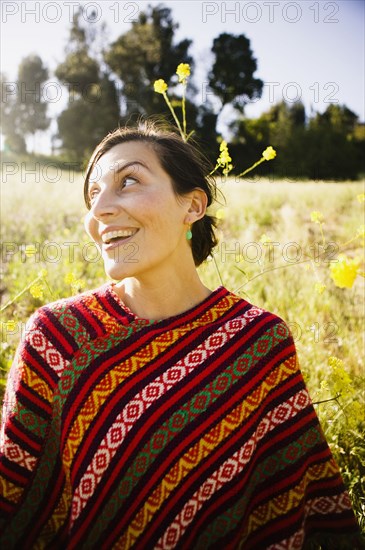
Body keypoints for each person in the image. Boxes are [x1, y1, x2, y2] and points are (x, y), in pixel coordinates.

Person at [0, 121, 363, 549]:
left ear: (192, 206)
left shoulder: (258, 342)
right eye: (93, 195)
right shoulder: (58, 338)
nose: (99, 210)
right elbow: (14, 501)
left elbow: (295, 500)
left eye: (128, 181)